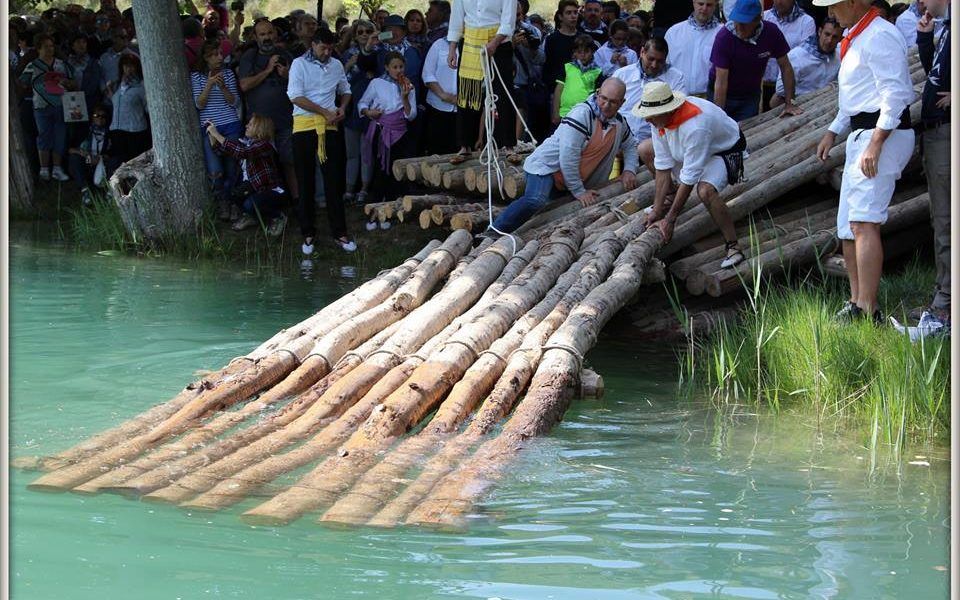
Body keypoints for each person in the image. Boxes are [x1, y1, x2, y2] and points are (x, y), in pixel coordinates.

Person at [813, 0, 916, 324]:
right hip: (862, 132)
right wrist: (833, 131)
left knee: (864, 221)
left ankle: (869, 309)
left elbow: (894, 94)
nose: (832, 13)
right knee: (848, 225)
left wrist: (876, 142)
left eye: (836, 6)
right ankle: (857, 302)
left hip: (881, 133)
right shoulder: (858, 36)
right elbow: (856, 98)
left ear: (855, 3)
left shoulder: (879, 34)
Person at [488, 78, 639, 233]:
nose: (606, 105)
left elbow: (631, 145)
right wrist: (579, 191)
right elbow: (568, 158)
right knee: (535, 200)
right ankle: (493, 231)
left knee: (552, 215)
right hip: (546, 167)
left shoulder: (620, 123)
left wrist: (629, 170)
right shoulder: (582, 115)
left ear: (622, 102)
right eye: (603, 99)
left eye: (613, 102)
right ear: (598, 93)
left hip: (570, 179)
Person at [636, 81, 749, 269]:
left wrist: (670, 220)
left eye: (651, 116)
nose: (647, 121)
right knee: (646, 149)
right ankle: (671, 197)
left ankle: (733, 246)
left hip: (723, 151)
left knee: (705, 191)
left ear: (667, 111)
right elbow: (663, 167)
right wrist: (656, 211)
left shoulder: (696, 126)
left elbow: (690, 177)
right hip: (693, 149)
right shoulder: (658, 120)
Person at [287, 27, 355, 254]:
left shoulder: (336, 64)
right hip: (305, 126)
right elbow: (295, 96)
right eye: (323, 47)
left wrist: (342, 107)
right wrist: (322, 111)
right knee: (305, 181)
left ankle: (340, 232)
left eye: (330, 48)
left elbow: (346, 90)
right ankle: (307, 233)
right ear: (313, 44)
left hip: (331, 124)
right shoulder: (299, 64)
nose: (327, 52)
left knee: (334, 181)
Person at [446, 0, 519, 164]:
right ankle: (465, 147)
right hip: (470, 41)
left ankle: (509, 146)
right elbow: (457, 18)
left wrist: (495, 42)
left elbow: (508, 21)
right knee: (467, 94)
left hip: (499, 43)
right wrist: (452, 48)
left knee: (503, 94)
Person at [914, 0, 950, 326]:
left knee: (948, 221)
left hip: (947, 133)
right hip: (935, 133)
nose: (920, 2)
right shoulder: (947, 29)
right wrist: (926, 40)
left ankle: (947, 303)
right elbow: (935, 79)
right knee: (940, 220)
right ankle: (942, 293)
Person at [236, 18, 296, 204]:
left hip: (285, 120)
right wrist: (267, 70)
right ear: (255, 37)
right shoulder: (250, 57)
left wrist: (288, 76)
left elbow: (301, 85)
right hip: (259, 124)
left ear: (275, 33)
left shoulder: (286, 54)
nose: (267, 37)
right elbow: (244, 85)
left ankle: (296, 202)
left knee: (290, 162)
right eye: (262, 34)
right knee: (260, 166)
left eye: (270, 33)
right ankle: (266, 205)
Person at [708, 0, 801, 121]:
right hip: (721, 92)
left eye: (744, 23)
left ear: (758, 20)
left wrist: (790, 102)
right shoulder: (724, 37)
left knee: (747, 131)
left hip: (749, 95)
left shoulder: (771, 32)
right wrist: (719, 118)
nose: (739, 27)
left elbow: (786, 67)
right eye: (737, 20)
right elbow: (721, 82)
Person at [358, 51, 418, 230]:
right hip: (382, 131)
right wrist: (369, 112)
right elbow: (362, 103)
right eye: (394, 67)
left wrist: (405, 98)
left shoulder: (408, 86)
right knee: (380, 171)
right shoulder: (377, 83)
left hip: (400, 133)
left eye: (401, 67)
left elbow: (411, 115)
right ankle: (374, 211)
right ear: (386, 67)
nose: (398, 70)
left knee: (395, 172)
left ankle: (390, 212)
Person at [206, 114, 288, 236]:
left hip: (271, 191)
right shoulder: (246, 143)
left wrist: (217, 135)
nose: (246, 126)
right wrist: (211, 133)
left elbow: (242, 153)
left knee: (251, 204)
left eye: (251, 124)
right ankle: (251, 216)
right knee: (230, 187)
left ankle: (278, 217)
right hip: (254, 188)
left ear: (261, 128)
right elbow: (221, 150)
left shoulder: (265, 145)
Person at [613, 37, 685, 171]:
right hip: (620, 145)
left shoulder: (675, 77)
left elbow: (678, 113)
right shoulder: (621, 74)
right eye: (651, 59)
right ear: (642, 52)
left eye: (660, 61)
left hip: (655, 146)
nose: (654, 65)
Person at [191, 39, 242, 220]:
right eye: (214, 55)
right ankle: (221, 202)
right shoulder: (196, 77)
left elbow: (235, 102)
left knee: (232, 166)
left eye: (220, 53)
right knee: (215, 169)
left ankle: (233, 202)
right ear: (205, 58)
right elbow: (199, 104)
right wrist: (209, 84)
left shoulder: (227, 74)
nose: (219, 57)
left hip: (230, 124)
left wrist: (223, 86)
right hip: (210, 128)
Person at [20, 33, 77, 181]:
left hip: (61, 105)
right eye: (46, 46)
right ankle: (44, 169)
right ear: (38, 48)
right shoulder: (32, 66)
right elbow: (22, 83)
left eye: (51, 46)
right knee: (44, 136)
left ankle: (57, 168)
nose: (49, 49)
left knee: (60, 135)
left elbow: (74, 83)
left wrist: (65, 83)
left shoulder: (61, 64)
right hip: (41, 106)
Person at [769, 17, 841, 107]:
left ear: (840, 39)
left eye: (835, 37)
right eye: (827, 34)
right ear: (819, 32)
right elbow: (781, 90)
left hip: (826, 105)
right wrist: (816, 94)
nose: (829, 41)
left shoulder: (839, 54)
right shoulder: (798, 56)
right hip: (799, 104)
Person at [761, 0, 816, 110]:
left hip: (789, 87)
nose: (780, 1)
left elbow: (804, 57)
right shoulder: (764, 17)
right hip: (763, 84)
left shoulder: (806, 22)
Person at [665, 0, 722, 98]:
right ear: (693, 2)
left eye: (709, 5)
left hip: (709, 99)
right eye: (700, 4)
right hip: (677, 98)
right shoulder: (674, 32)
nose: (704, 8)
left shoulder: (721, 34)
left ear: (715, 6)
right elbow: (665, 67)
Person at [552, 34, 604, 125]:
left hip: (585, 115)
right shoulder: (567, 67)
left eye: (586, 51)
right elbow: (558, 90)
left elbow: (598, 96)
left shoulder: (598, 72)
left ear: (592, 52)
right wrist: (555, 112)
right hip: (564, 113)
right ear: (574, 53)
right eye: (579, 52)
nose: (583, 55)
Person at [422, 34, 460, 154]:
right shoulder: (439, 44)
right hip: (437, 108)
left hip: (464, 109)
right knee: (436, 152)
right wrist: (443, 95)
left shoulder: (474, 44)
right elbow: (427, 74)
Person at [67, 104, 111, 204]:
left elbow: (114, 152)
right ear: (92, 117)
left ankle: (110, 192)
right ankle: (85, 191)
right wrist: (83, 153)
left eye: (103, 116)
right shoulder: (84, 131)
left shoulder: (111, 133)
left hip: (102, 164)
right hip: (86, 161)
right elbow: (69, 149)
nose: (100, 118)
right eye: (96, 115)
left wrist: (100, 158)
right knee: (74, 159)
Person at [542, 0, 581, 93]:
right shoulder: (551, 39)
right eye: (568, 13)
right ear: (560, 16)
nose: (573, 16)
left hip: (579, 89)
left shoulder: (583, 38)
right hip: (556, 90)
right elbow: (546, 66)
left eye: (575, 12)